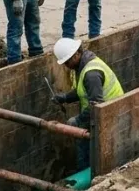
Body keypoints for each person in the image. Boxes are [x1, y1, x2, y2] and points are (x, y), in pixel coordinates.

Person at [51, 37, 125, 171]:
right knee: (86, 144)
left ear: (76, 55)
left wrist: (78, 120)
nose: (66, 66)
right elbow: (82, 91)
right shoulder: (82, 66)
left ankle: (87, 175)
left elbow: (96, 105)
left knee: (85, 146)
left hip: (110, 114)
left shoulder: (91, 74)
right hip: (102, 112)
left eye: (67, 62)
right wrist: (64, 98)